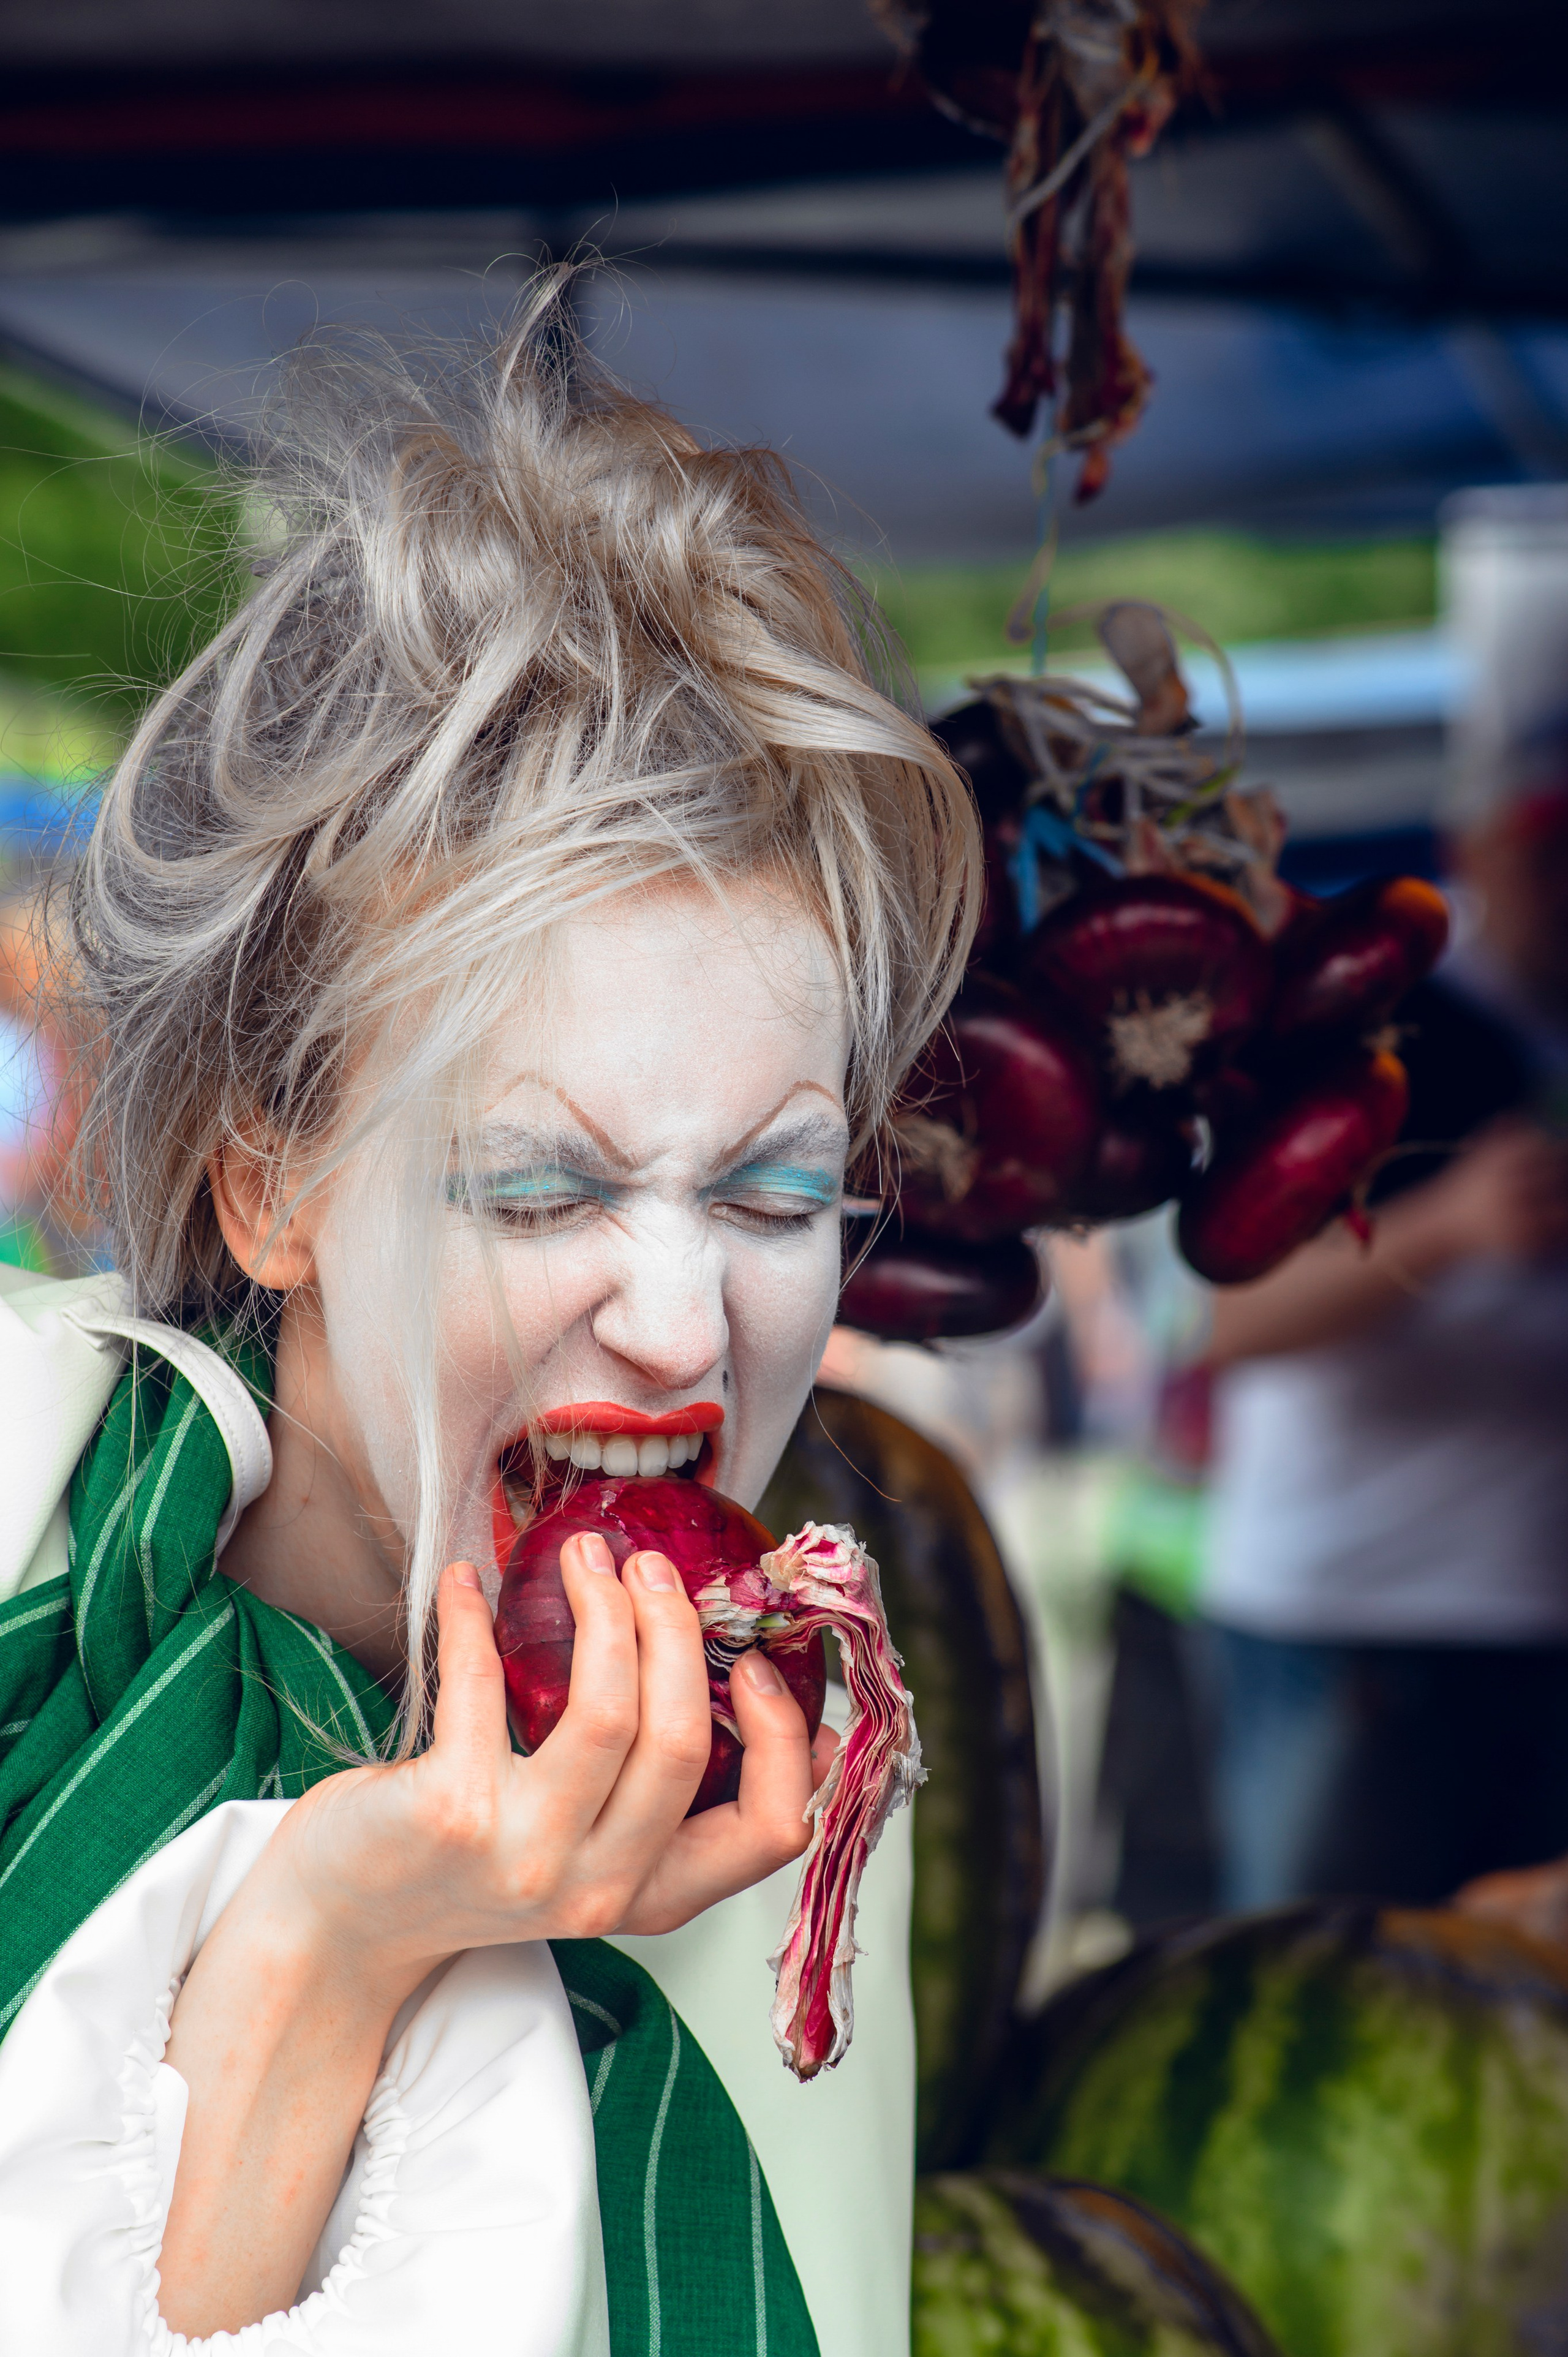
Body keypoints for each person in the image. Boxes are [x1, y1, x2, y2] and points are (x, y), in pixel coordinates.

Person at [0, 285, 979, 2356]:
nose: (684, 1314)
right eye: (543, 1186)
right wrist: (338, 1931)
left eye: (774, 1189)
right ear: (268, 1186)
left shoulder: (791, 1809)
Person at [1197, 783, 1568, 1910]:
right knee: (1318, 2007)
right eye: (1552, 853)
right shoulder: (1353, 1021)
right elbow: (1224, 1321)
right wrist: (1452, 1228)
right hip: (1355, 1623)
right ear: (1482, 848)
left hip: (1538, 1627)